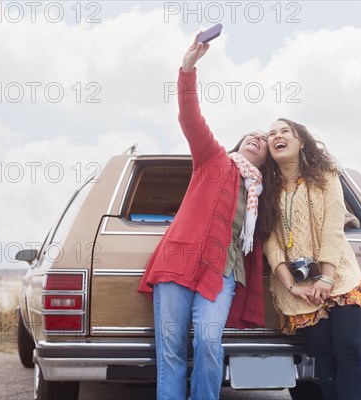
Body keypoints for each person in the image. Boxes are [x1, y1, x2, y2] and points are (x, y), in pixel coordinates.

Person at [138, 34, 268, 400]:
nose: (257, 137)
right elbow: (190, 118)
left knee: (210, 341)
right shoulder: (214, 160)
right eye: (251, 135)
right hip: (178, 263)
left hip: (222, 270)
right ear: (239, 144)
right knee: (171, 349)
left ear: (266, 161)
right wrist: (188, 69)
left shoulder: (263, 193)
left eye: (263, 139)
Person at [259, 118, 361, 400]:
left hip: (340, 278)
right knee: (324, 358)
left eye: (284, 131)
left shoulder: (326, 175)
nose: (277, 136)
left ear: (300, 140)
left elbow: (333, 228)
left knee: (349, 351)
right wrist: (292, 286)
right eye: (271, 134)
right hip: (299, 289)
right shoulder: (268, 190)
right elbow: (271, 243)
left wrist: (326, 277)